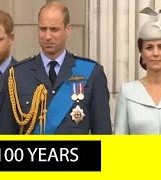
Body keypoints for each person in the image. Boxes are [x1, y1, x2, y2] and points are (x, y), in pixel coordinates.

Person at [7, 2, 112, 134]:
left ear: (67, 29)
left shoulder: (91, 73)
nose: (47, 36)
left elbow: (103, 134)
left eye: (54, 29)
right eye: (43, 29)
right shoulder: (18, 74)